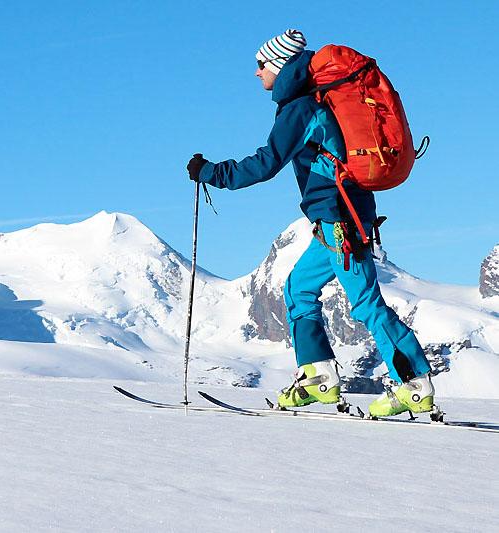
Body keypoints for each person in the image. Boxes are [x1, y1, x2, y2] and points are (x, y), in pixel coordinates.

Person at [186, 29, 434, 417]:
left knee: (366, 303)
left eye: (261, 65)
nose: (256, 73)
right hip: (334, 218)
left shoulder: (301, 108)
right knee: (298, 288)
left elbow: (267, 162)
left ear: (281, 65)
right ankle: (318, 376)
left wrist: (211, 173)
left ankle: (414, 383)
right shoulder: (309, 103)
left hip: (340, 219)